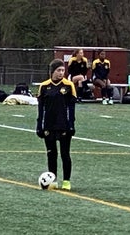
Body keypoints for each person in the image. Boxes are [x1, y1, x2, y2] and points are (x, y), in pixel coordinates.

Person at [36, 59, 77, 191]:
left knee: (65, 154)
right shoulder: (44, 86)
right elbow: (41, 109)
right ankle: (53, 180)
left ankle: (66, 181)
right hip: (49, 125)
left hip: (63, 125)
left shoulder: (69, 85)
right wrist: (39, 126)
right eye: (58, 70)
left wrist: (71, 125)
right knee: (51, 154)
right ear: (52, 71)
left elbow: (71, 108)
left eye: (63, 70)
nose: (61, 73)